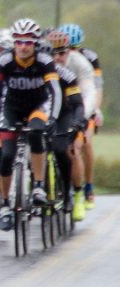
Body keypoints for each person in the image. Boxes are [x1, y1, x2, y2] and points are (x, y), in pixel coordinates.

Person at [0, 18, 64, 231]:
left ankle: (39, 186)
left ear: (35, 43)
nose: (23, 47)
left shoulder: (44, 61)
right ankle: (4, 203)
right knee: (6, 156)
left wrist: (53, 117)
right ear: (14, 43)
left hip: (37, 106)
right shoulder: (4, 60)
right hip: (12, 108)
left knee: (35, 133)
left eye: (28, 42)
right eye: (19, 42)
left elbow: (55, 90)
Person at [46, 30, 97, 221]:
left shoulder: (79, 63)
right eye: (53, 53)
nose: (57, 58)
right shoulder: (43, 65)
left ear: (69, 52)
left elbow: (89, 94)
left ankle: (77, 193)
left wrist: (81, 120)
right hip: (50, 111)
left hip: (75, 109)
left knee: (74, 147)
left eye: (62, 53)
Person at [58, 23, 104, 209]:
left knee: (84, 142)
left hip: (84, 103)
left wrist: (95, 109)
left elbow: (96, 87)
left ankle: (89, 186)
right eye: (70, 48)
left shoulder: (89, 58)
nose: (72, 51)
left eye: (75, 47)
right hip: (64, 105)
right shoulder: (56, 56)